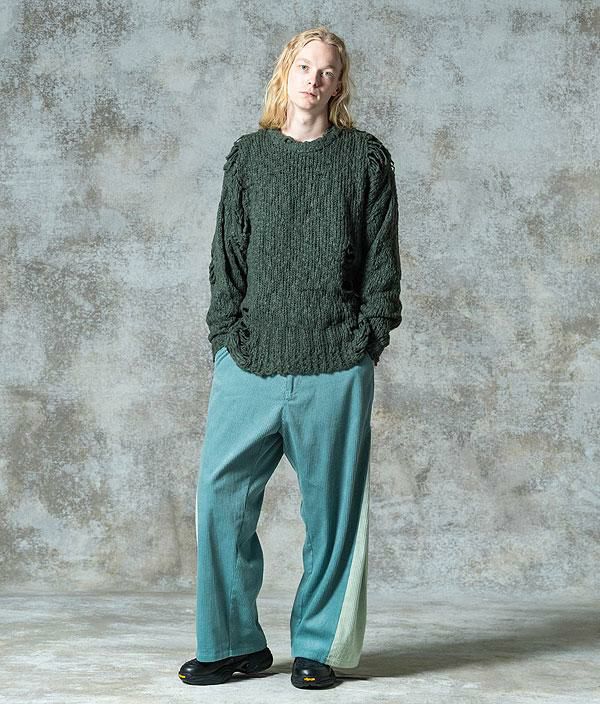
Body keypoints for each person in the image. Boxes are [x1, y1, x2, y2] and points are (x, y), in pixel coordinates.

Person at [178, 25, 402, 690]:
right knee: (220, 498)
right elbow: (226, 259)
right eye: (305, 66)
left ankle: (319, 648)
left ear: (339, 84)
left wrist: (367, 339)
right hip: (249, 359)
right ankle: (232, 645)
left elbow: (382, 262)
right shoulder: (248, 157)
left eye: (327, 71)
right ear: (286, 73)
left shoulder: (365, 159)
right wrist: (225, 339)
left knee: (332, 513)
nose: (314, 79)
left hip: (337, 361)